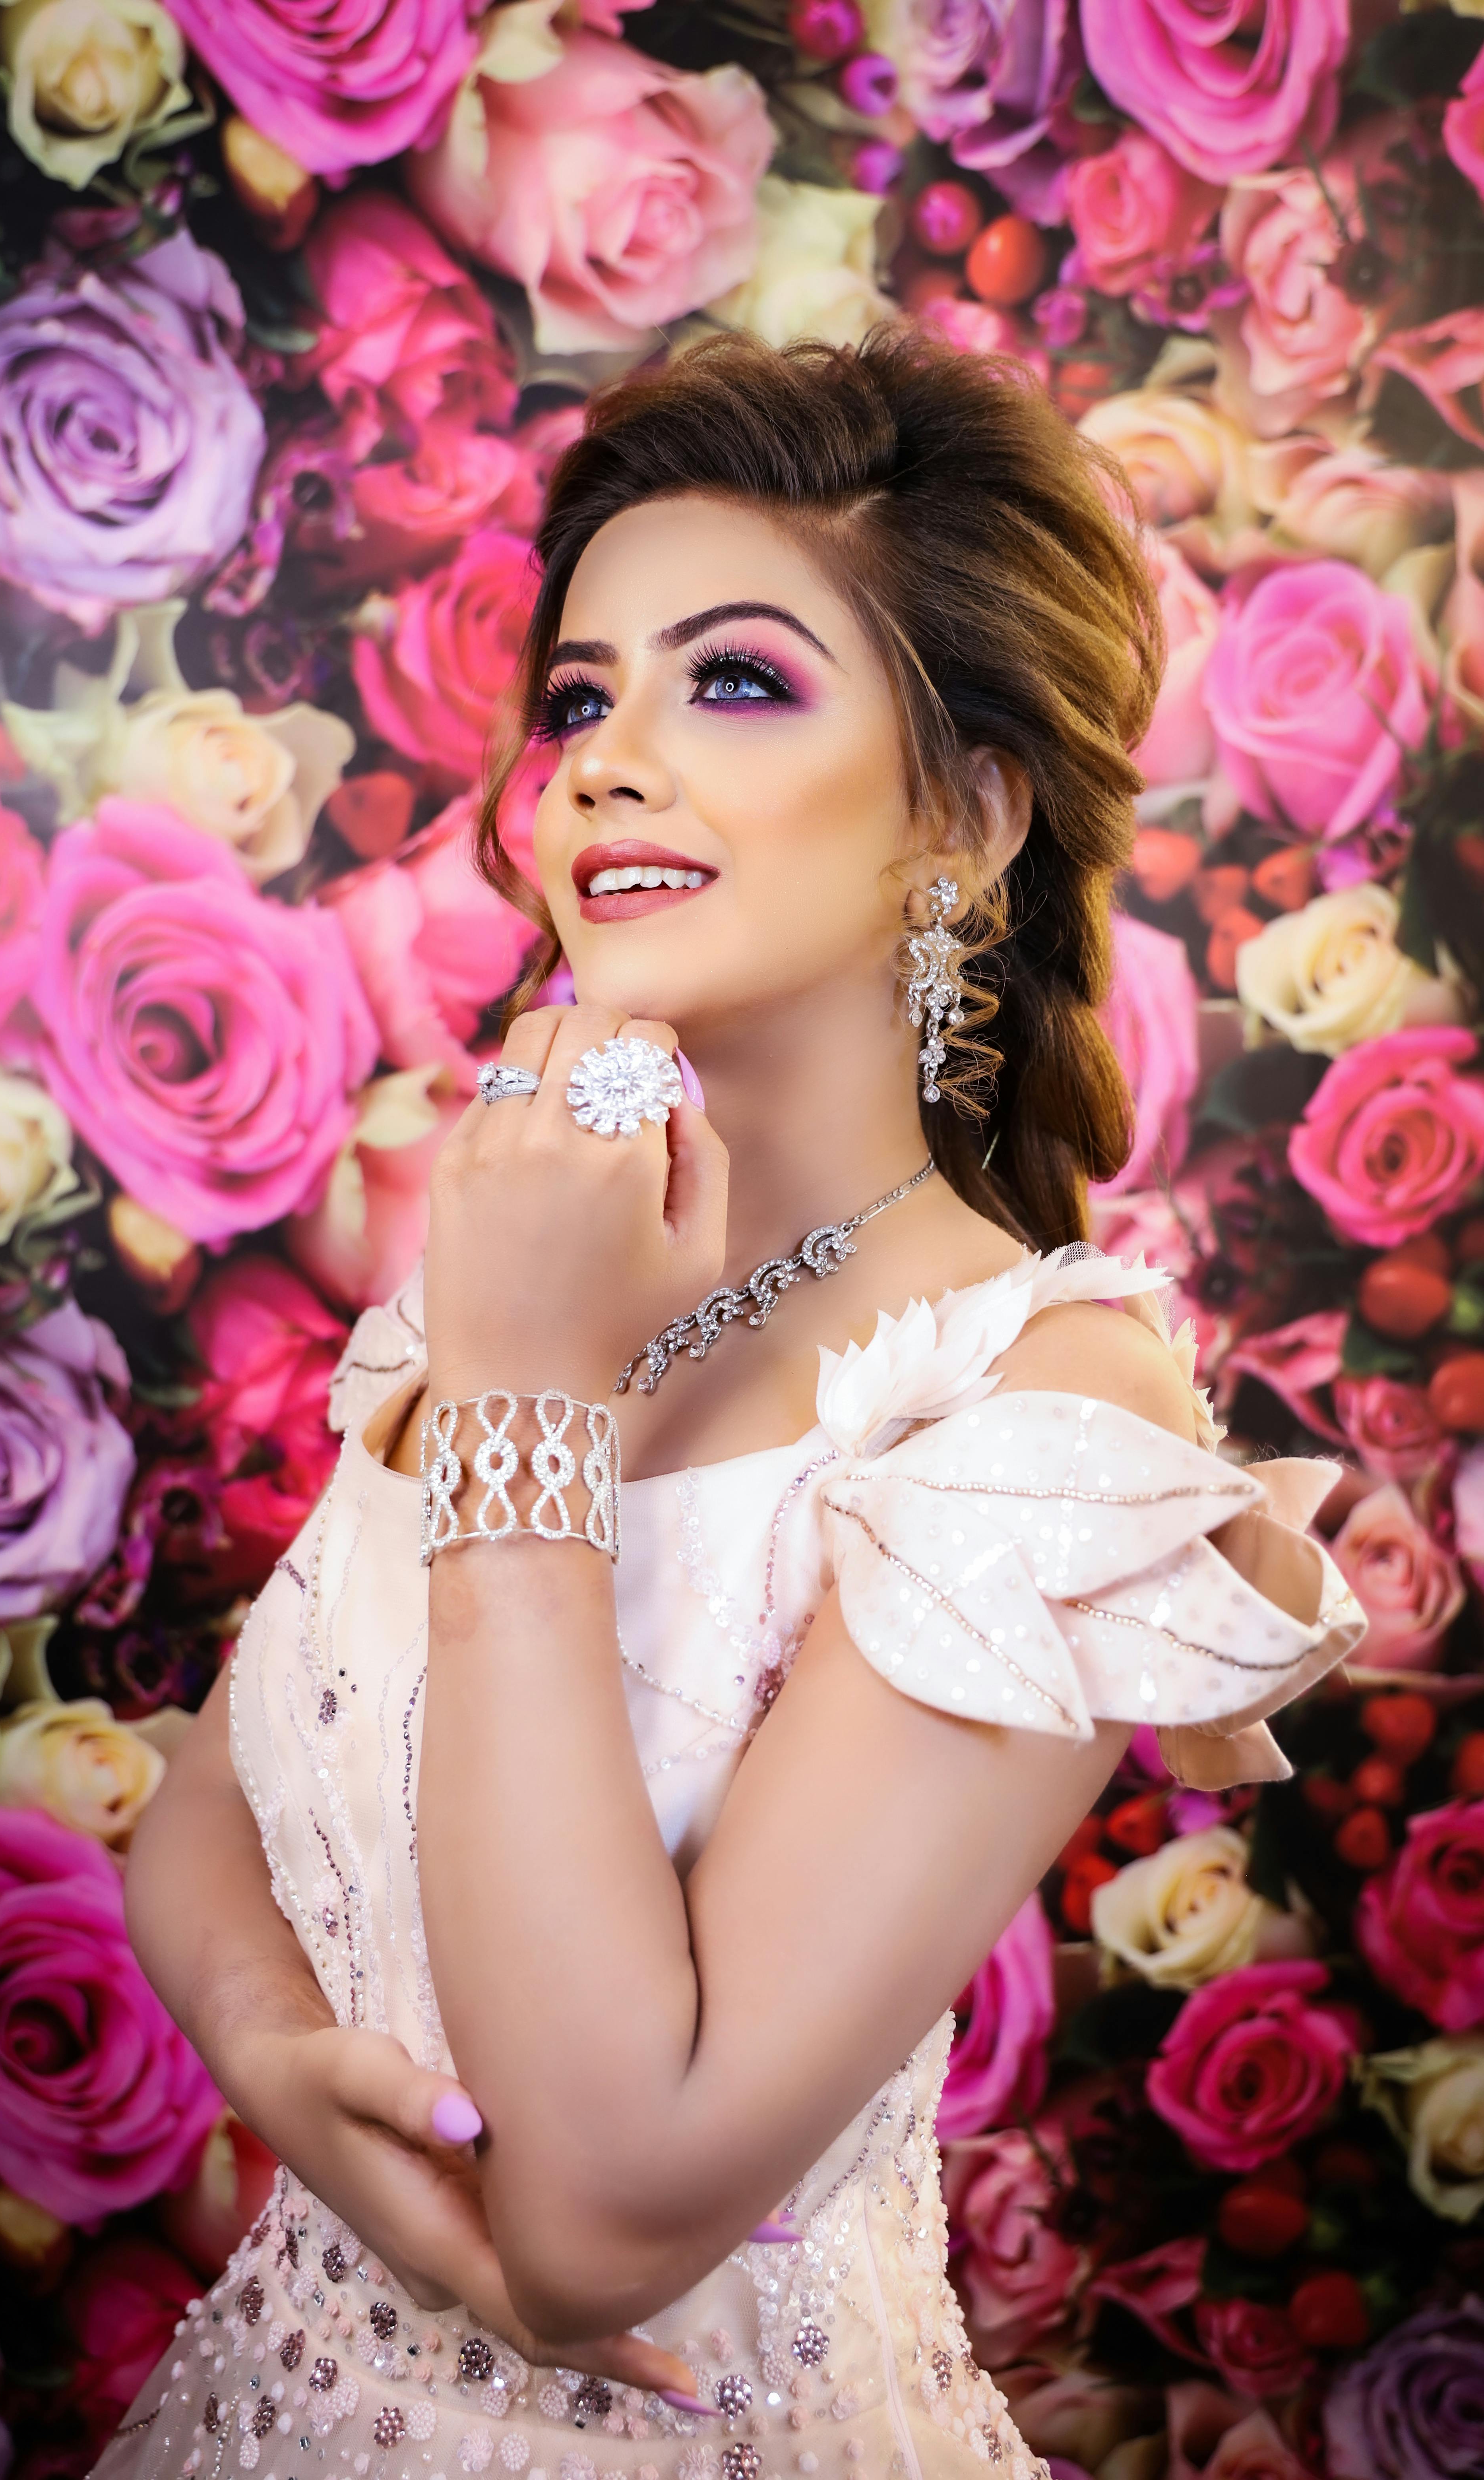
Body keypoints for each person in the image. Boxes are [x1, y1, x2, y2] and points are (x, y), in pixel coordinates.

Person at [96, 327, 1364, 2480]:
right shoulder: (541, 1239)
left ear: (962, 809)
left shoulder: (1046, 1406)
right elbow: (216, 1812)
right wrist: (288, 2072)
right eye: (582, 696)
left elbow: (600, 2214)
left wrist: (528, 1407)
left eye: (739, 679)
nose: (600, 761)